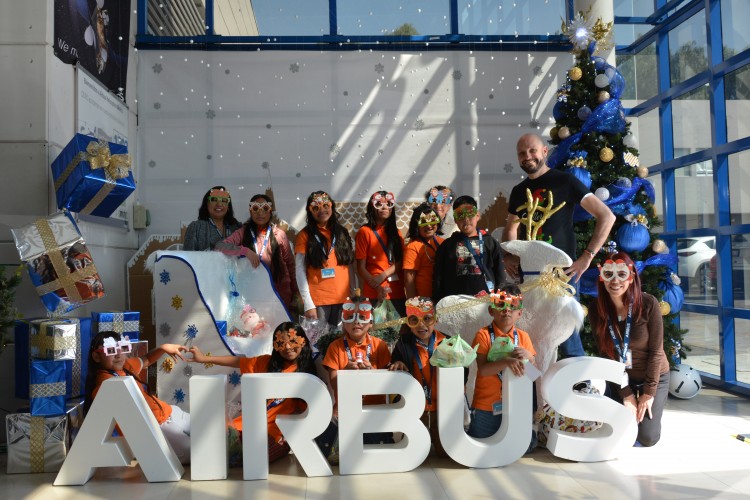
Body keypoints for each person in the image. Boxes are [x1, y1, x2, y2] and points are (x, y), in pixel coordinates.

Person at [503, 133, 616, 357]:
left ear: (544, 151)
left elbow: (607, 215)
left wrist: (587, 256)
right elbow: (511, 228)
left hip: (561, 275)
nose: (528, 157)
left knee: (567, 340)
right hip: (530, 277)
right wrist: (509, 255)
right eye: (522, 153)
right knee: (530, 335)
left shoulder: (566, 181)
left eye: (532, 151)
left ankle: (581, 387)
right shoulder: (518, 191)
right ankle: (536, 391)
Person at [188, 322, 318, 461]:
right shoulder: (267, 362)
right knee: (211, 440)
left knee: (253, 456)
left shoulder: (307, 373)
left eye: (293, 341)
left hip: (277, 435)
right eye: (281, 342)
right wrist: (204, 359)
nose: (287, 347)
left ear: (303, 341)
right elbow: (238, 361)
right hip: (246, 427)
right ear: (275, 345)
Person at [588, 252, 670, 447]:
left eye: (621, 275)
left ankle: (653, 411)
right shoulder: (596, 309)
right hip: (622, 379)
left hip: (655, 376)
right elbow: (605, 355)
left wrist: (649, 393)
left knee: (647, 438)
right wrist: (626, 393)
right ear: (602, 277)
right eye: (609, 274)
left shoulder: (648, 303)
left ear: (631, 276)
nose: (615, 281)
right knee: (622, 431)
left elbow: (657, 352)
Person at [84, 331, 191, 464]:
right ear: (96, 356)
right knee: (193, 451)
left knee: (206, 429)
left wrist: (162, 348)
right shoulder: (104, 385)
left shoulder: (126, 366)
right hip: (158, 428)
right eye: (110, 350)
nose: (118, 355)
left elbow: (146, 359)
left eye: (122, 348)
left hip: (169, 411)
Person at [467, 284, 536, 447]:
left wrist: (530, 358)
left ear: (519, 313)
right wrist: (506, 361)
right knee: (480, 444)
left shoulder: (523, 337)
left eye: (512, 307)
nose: (506, 310)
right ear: (491, 311)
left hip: (515, 406)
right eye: (500, 305)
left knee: (525, 447)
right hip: (486, 407)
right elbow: (483, 370)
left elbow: (532, 372)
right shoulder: (483, 335)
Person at [322, 295, 393, 444]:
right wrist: (346, 374)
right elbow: (334, 385)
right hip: (344, 411)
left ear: (371, 322)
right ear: (343, 322)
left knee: (377, 451)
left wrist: (371, 373)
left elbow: (388, 384)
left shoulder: (379, 346)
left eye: (362, 317)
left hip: (375, 409)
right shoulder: (335, 347)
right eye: (350, 317)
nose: (356, 321)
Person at [215, 194, 298, 311]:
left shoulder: (279, 235)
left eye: (264, 209)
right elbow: (219, 246)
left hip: (280, 295)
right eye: (255, 209)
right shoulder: (243, 232)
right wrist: (245, 251)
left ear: (270, 211)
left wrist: (296, 293)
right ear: (250, 211)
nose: (260, 213)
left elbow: (290, 265)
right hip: (253, 296)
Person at [388, 296, 449, 456]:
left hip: (442, 409)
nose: (421, 325)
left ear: (436, 319)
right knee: (414, 454)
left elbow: (464, 372)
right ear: (408, 322)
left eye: (427, 318)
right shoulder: (403, 343)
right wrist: (397, 363)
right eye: (414, 320)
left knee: (445, 454)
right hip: (416, 410)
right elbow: (394, 362)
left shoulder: (448, 342)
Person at [295, 191, 356, 327]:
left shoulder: (342, 232)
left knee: (341, 342)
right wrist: (308, 304)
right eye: (316, 208)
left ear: (332, 207)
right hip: (319, 302)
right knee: (320, 344)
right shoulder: (304, 236)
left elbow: (349, 265)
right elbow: (299, 271)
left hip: (344, 299)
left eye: (325, 206)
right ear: (309, 212)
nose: (322, 210)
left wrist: (354, 293)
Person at [432, 195, 502, 303]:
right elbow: (438, 279)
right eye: (460, 215)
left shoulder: (490, 242)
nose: (466, 219)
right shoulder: (447, 246)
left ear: (477, 215)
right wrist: (437, 303)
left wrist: (500, 298)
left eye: (470, 214)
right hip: (455, 305)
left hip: (486, 304)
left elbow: (500, 273)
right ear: (455, 219)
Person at [355, 191, 406, 314]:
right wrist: (377, 286)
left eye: (389, 204)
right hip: (373, 291)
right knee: (376, 330)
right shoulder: (364, 231)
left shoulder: (397, 233)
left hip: (396, 290)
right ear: (372, 207)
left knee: (399, 330)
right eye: (379, 204)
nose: (385, 207)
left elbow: (400, 262)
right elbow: (360, 268)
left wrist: (382, 276)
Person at [403, 204, 443, 299]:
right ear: (416, 224)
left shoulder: (443, 242)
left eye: (432, 220)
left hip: (442, 298)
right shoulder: (413, 246)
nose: (429, 225)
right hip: (422, 301)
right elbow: (409, 281)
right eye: (423, 221)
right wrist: (413, 306)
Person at [183, 186, 242, 251]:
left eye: (224, 200)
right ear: (207, 204)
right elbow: (188, 257)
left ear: (228, 206)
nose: (219, 204)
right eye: (214, 199)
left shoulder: (237, 227)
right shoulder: (196, 227)